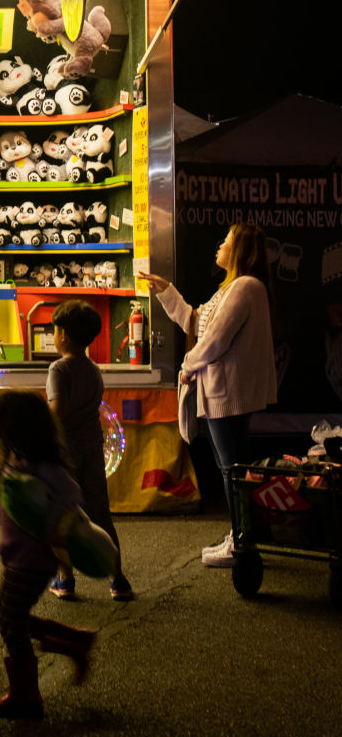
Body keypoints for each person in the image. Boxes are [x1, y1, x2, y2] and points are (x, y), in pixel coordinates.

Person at [139, 221, 275, 567]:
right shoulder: (232, 288)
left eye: (226, 241)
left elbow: (214, 341)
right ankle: (240, 535)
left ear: (239, 251)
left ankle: (243, 541)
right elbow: (198, 322)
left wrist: (188, 364)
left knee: (232, 469)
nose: (219, 246)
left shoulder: (245, 287)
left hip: (228, 394)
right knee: (231, 467)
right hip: (223, 393)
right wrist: (167, 291)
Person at [0, 389, 96, 720]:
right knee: (10, 614)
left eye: (1, 426)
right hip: (20, 557)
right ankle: (70, 641)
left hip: (33, 559)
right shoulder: (19, 459)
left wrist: (52, 524)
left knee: (9, 618)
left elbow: (72, 493)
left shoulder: (44, 466)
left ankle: (27, 694)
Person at [46, 300, 133, 601]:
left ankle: (64, 579)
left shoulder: (58, 368)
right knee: (100, 513)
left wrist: (38, 423)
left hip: (66, 451)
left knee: (59, 515)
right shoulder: (93, 368)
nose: (53, 336)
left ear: (65, 335)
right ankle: (117, 579)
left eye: (54, 330)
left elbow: (59, 408)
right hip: (92, 448)